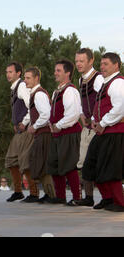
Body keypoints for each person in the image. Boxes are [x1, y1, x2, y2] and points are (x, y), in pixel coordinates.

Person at [83, 53, 124, 212]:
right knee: (91, 166)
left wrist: (103, 123)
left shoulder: (118, 82)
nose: (102, 67)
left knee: (110, 168)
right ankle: (107, 198)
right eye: (101, 64)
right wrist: (94, 120)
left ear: (116, 66)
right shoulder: (105, 84)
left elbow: (120, 108)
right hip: (102, 131)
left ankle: (120, 202)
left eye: (106, 64)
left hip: (115, 132)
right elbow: (99, 106)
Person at [72, 48, 105, 207]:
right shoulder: (81, 80)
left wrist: (94, 119)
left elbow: (103, 101)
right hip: (87, 127)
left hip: (98, 127)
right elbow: (80, 103)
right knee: (84, 163)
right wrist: (82, 116)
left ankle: (108, 197)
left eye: (82, 61)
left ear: (91, 61)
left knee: (98, 163)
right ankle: (89, 197)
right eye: (77, 61)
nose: (78, 64)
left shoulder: (98, 78)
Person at [47, 60, 82, 205]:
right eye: (55, 70)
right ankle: (60, 196)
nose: (55, 73)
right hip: (57, 134)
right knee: (54, 165)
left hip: (69, 133)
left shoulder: (70, 91)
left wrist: (59, 125)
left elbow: (73, 114)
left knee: (69, 165)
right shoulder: (57, 91)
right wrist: (51, 124)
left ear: (67, 73)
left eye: (59, 70)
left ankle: (76, 197)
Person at [4, 62, 38, 202]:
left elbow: (31, 105)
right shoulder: (15, 88)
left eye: (11, 72)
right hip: (18, 131)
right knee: (11, 160)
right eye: (7, 72)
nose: (8, 74)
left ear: (18, 73)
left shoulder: (22, 86)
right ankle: (18, 191)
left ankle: (34, 192)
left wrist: (24, 122)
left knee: (25, 161)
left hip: (26, 130)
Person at [24, 67, 57, 203]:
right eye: (25, 78)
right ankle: (49, 193)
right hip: (41, 134)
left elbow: (46, 114)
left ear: (36, 78)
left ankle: (52, 194)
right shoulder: (35, 94)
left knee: (43, 164)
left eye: (28, 78)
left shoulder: (39, 94)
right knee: (39, 163)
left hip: (44, 134)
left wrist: (34, 126)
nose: (25, 81)